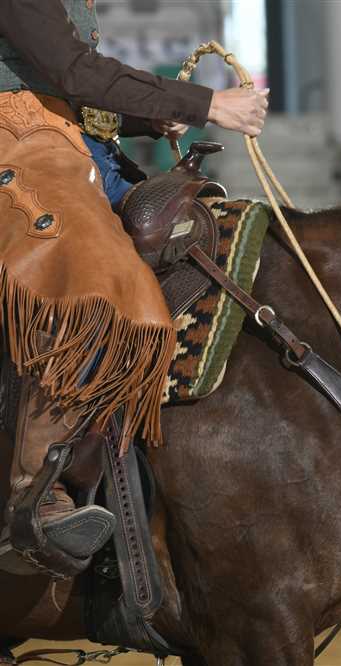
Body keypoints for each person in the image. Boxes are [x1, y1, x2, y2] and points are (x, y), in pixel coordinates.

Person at [0, 0, 268, 576]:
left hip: (72, 142)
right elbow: (73, 70)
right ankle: (34, 493)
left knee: (208, 238)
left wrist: (148, 118)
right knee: (90, 274)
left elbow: (67, 87)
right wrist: (207, 104)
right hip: (17, 142)